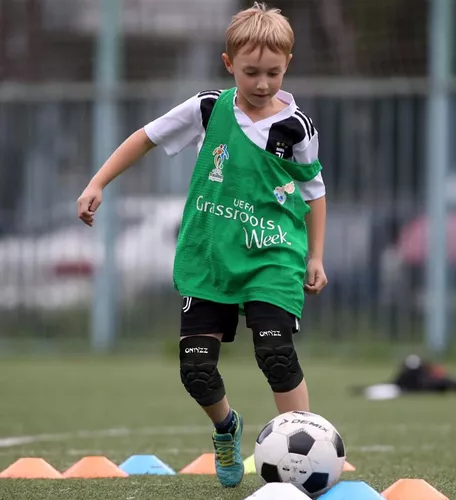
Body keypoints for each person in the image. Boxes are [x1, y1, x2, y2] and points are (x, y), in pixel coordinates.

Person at [77, 2, 328, 488]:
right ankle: (226, 428)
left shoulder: (297, 128)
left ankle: (303, 465)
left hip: (271, 255)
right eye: (251, 72)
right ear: (228, 63)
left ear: (288, 65)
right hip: (209, 257)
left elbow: (314, 192)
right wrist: (97, 182)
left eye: (273, 73)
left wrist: (315, 255)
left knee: (275, 355)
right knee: (195, 369)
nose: (261, 84)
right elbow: (145, 138)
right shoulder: (207, 108)